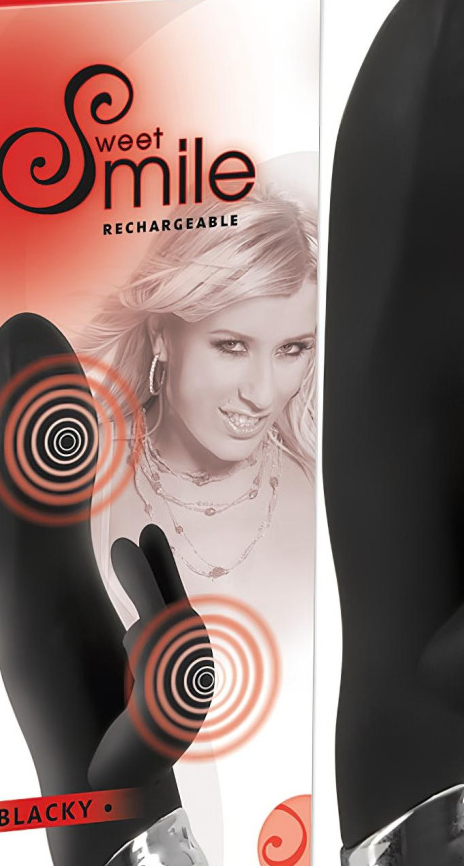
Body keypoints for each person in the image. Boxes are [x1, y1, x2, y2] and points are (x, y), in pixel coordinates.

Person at [83, 190, 317, 632]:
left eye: (292, 349)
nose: (263, 394)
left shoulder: (325, 490)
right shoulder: (80, 473)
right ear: (161, 335)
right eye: (232, 346)